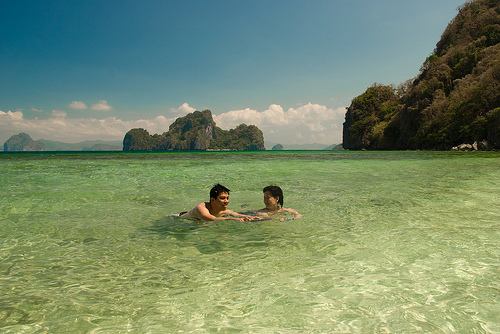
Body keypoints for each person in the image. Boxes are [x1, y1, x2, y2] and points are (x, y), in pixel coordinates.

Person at [180, 184, 260, 222]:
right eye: (222, 198)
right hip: (182, 220)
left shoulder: (224, 211)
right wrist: (237, 219)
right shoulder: (201, 208)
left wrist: (250, 217)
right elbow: (213, 219)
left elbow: (237, 214)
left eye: (227, 198)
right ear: (213, 200)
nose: (226, 201)